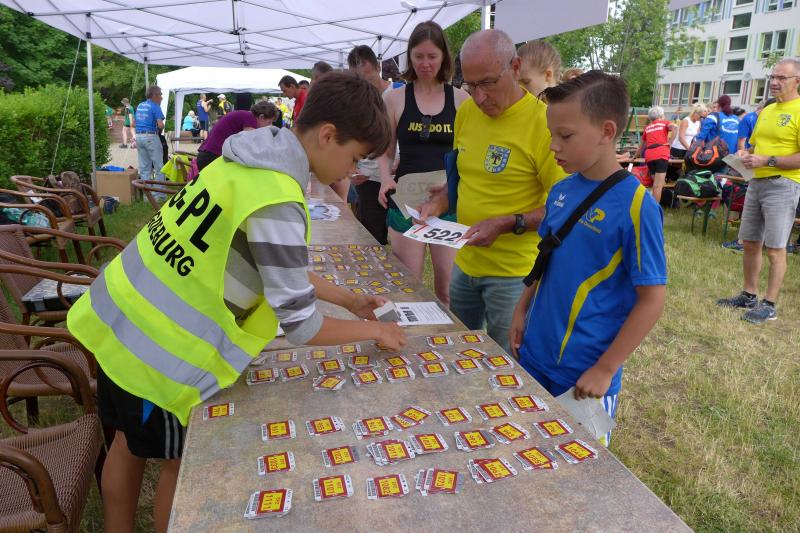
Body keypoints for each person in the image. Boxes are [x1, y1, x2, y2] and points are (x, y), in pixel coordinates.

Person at [66, 72, 404, 533]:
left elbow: (271, 265)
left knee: (127, 443)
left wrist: (349, 299)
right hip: (157, 352)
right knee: (176, 465)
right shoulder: (277, 195)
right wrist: (376, 330)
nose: (352, 172)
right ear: (328, 135)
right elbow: (302, 325)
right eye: (354, 158)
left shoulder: (248, 158)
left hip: (120, 316)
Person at [509, 71, 666, 446]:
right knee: (529, 448)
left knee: (580, 464)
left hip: (585, 372)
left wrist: (606, 368)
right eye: (551, 135)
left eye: (565, 136)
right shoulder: (561, 191)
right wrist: (521, 309)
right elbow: (545, 259)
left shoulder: (637, 206)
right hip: (535, 354)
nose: (553, 146)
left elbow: (652, 299)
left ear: (606, 131)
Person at [418, 29, 567, 352]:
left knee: (508, 361)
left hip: (514, 274)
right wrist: (438, 204)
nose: (479, 97)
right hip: (465, 263)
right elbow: (463, 179)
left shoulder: (544, 123)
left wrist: (507, 223)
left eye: (487, 83)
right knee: (461, 352)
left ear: (515, 67)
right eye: (470, 86)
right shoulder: (467, 113)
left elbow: (564, 208)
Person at [377, 21, 470, 304]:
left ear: (443, 57)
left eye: (432, 56)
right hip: (407, 199)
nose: (425, 63)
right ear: (409, 57)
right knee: (408, 287)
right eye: (418, 56)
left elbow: (469, 152)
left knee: (448, 289)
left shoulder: (461, 99)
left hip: (448, 201)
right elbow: (385, 149)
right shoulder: (395, 98)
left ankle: (447, 333)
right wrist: (385, 177)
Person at [717, 58, 800, 324]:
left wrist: (768, 160)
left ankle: (770, 304)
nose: (774, 82)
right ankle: (749, 295)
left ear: (797, 81)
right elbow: (756, 147)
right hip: (756, 182)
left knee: (775, 248)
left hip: (783, 184)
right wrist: (746, 154)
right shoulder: (767, 111)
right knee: (751, 242)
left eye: (781, 78)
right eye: (772, 77)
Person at [347, 44, 395, 244]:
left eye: (368, 78)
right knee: (372, 239)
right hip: (367, 179)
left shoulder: (398, 94)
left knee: (400, 241)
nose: (365, 85)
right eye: (359, 80)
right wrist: (351, 167)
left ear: (378, 67)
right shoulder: (357, 101)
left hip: (396, 178)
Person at [196, 100, 277, 171]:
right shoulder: (250, 118)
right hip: (212, 157)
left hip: (207, 155)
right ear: (261, 117)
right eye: (269, 122)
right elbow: (251, 143)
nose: (270, 126)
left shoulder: (245, 115)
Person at [634, 106, 676, 202]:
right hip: (661, 154)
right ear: (661, 115)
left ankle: (651, 204)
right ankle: (655, 208)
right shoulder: (664, 123)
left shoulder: (647, 127)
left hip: (649, 156)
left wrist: (634, 157)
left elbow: (642, 146)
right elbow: (675, 127)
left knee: (655, 184)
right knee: (658, 186)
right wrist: (670, 142)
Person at [134, 86, 167, 192]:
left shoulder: (140, 105)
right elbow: (160, 125)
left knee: (144, 168)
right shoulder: (155, 106)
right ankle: (160, 193)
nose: (161, 97)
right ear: (154, 95)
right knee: (159, 166)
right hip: (151, 136)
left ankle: (147, 195)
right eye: (160, 94)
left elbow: (134, 122)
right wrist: (159, 127)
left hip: (139, 136)